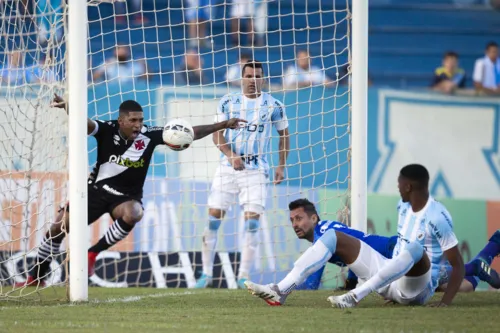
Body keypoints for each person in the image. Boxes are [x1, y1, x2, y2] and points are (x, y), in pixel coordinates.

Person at [16, 94, 246, 287]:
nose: (138, 124)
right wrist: (68, 107)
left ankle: (92, 253)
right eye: (133, 120)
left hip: (126, 197)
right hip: (96, 190)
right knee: (58, 228)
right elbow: (85, 124)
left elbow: (191, 132)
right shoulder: (106, 129)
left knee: (135, 213)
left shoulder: (150, 135)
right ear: (121, 120)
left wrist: (223, 124)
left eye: (141, 120)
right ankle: (37, 276)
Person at [246, 164, 465, 307]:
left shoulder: (438, 216)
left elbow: (457, 262)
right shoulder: (403, 207)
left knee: (417, 250)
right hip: (388, 278)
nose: (397, 188)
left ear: (409, 186)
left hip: (416, 288)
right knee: (334, 236)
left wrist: (445, 302)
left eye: (399, 183)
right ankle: (280, 291)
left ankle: (356, 296)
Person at [195, 60, 290, 289]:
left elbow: (284, 136)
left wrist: (280, 166)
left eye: (258, 76)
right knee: (213, 219)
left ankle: (243, 276)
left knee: (252, 224)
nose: (253, 81)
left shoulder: (274, 105)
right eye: (249, 76)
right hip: (228, 168)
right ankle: (206, 274)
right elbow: (216, 134)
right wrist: (230, 155)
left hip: (256, 169)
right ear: (241, 78)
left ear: (263, 79)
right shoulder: (228, 102)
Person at [285, 199, 500, 294]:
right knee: (464, 286)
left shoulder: (323, 235)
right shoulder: (326, 229)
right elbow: (353, 256)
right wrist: (351, 283)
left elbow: (312, 283)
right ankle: (489, 252)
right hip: (389, 250)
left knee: (436, 280)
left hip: (391, 252)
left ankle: (474, 267)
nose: (295, 224)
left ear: (314, 218)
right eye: (292, 220)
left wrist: (288, 287)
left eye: (299, 218)